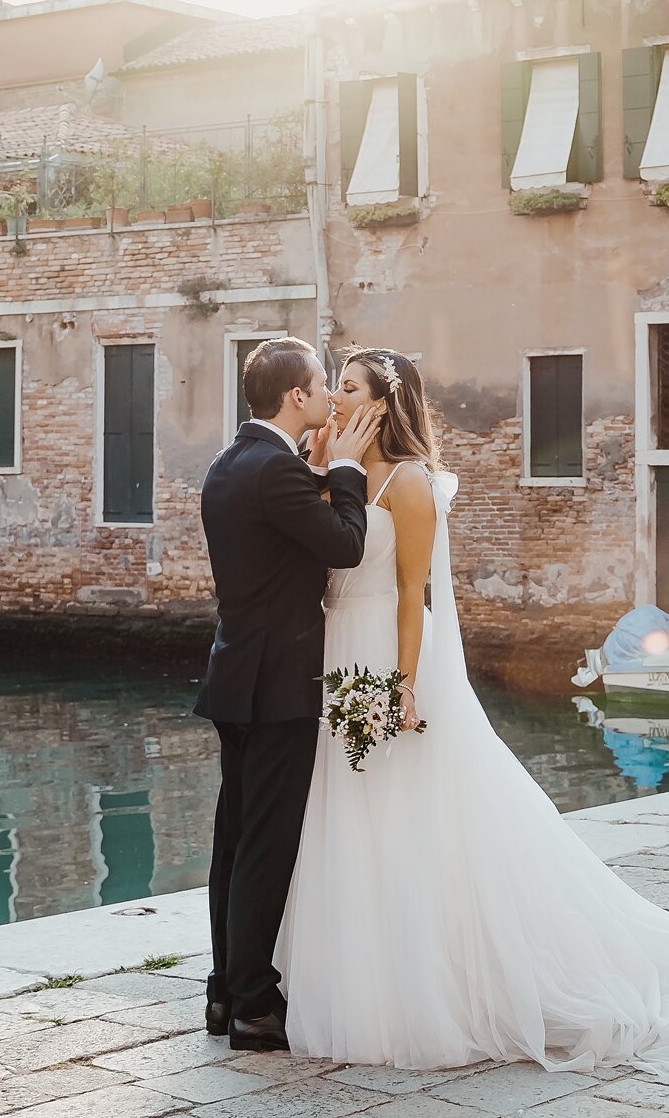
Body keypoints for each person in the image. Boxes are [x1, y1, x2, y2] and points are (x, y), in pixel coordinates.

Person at [273, 346, 669, 1085]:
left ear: (385, 404)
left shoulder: (410, 484)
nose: (334, 398)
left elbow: (412, 595)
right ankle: (358, 972)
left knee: (408, 809)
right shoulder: (332, 470)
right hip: (338, 651)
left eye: (348, 388)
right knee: (349, 810)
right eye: (333, 386)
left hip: (388, 651)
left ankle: (432, 988)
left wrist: (401, 686)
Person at [194, 336, 386, 1052]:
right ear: (296, 397)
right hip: (279, 686)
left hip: (235, 677)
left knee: (234, 840)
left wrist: (315, 470)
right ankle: (253, 1004)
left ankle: (223, 991)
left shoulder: (231, 462)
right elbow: (343, 546)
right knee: (266, 846)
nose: (330, 397)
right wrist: (343, 470)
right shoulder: (276, 470)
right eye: (320, 385)